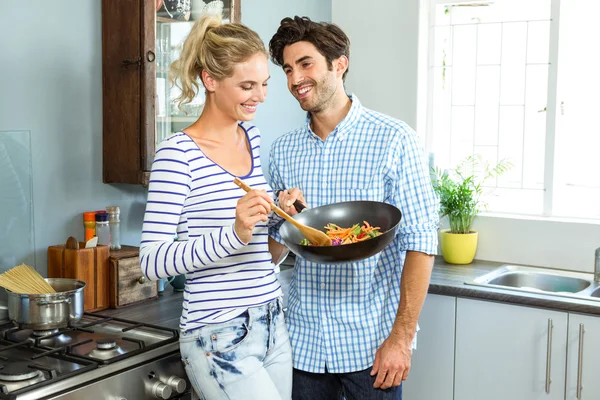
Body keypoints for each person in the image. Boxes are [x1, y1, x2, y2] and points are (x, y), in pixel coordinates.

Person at [267, 16, 439, 400]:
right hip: (303, 345)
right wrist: (284, 221)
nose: (295, 80)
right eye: (288, 69)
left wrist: (401, 339)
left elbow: (421, 242)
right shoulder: (283, 151)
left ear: (339, 64)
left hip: (371, 346)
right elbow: (274, 254)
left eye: (306, 64)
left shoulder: (394, 140)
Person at [139, 12, 292, 400]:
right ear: (210, 81)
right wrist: (233, 232)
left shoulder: (251, 137)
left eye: (264, 84)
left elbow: (262, 253)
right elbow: (151, 261)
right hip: (218, 334)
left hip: (272, 320)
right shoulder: (177, 154)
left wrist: (286, 220)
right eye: (247, 85)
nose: (260, 95)